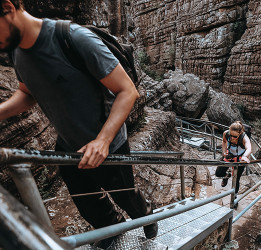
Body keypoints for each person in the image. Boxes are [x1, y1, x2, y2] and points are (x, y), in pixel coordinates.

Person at [0, 0, 157, 247]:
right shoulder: (15, 50)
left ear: (8, 8)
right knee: (88, 204)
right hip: (68, 145)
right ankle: (111, 231)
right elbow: (27, 93)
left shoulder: (73, 38)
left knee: (125, 196)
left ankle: (146, 214)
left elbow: (127, 91)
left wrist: (102, 141)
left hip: (109, 143)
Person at [216, 121, 252, 200]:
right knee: (218, 173)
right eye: (231, 135)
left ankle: (234, 197)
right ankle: (226, 176)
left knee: (236, 179)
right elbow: (224, 141)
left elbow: (249, 148)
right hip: (230, 155)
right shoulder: (226, 133)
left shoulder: (244, 137)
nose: (232, 138)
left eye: (235, 136)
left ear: (240, 133)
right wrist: (224, 152)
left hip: (240, 159)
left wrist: (245, 156)